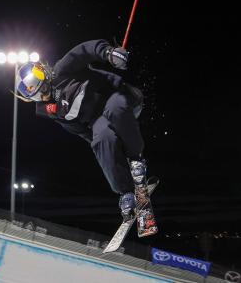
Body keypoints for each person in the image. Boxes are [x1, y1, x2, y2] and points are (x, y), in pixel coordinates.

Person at [15, 39, 148, 220]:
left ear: (44, 74)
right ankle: (125, 192)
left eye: (42, 87)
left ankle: (136, 159)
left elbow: (84, 51)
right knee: (101, 138)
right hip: (98, 119)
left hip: (119, 96)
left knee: (115, 109)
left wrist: (109, 53)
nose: (44, 95)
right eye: (37, 95)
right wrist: (107, 148)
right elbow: (80, 130)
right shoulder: (51, 111)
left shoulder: (62, 70)